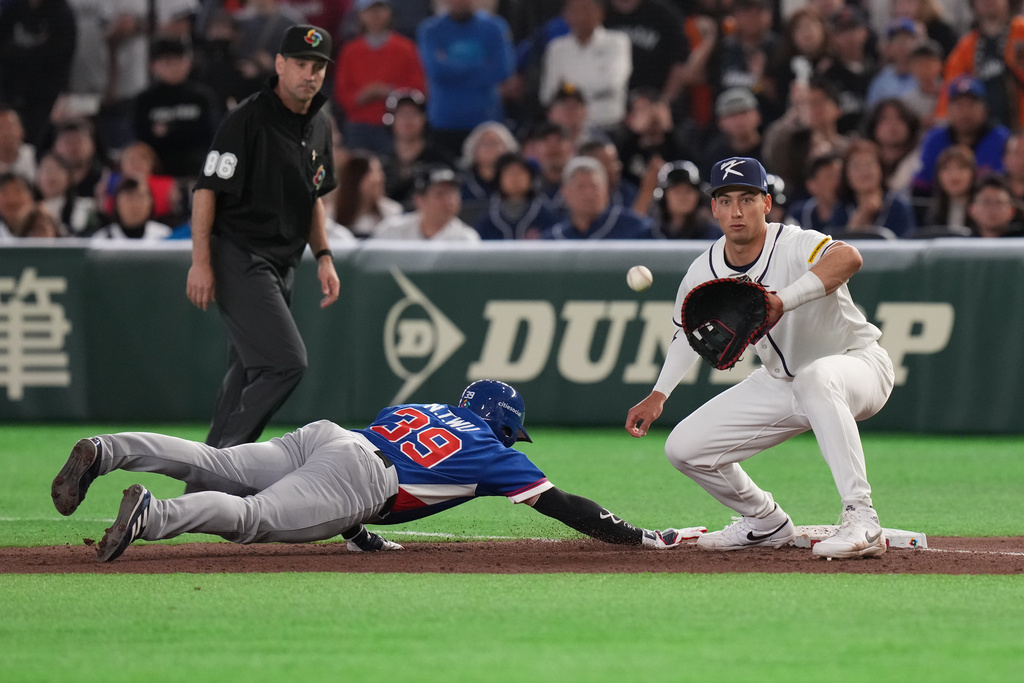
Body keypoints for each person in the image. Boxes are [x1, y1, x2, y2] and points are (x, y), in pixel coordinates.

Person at [51, 379, 696, 562]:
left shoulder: (427, 406)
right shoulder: (497, 452)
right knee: (250, 520)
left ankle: (107, 450)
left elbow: (381, 465)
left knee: (219, 462)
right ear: (503, 423)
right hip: (360, 478)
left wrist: (362, 535)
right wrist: (632, 535)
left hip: (329, 436)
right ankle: (152, 515)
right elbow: (563, 505)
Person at [625, 156, 896, 559]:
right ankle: (764, 521)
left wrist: (783, 301)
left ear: (766, 204)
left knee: (816, 378)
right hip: (781, 383)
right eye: (725, 200)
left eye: (747, 199)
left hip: (857, 366)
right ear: (713, 207)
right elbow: (687, 333)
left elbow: (849, 258)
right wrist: (659, 393)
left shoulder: (795, 242)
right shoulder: (705, 268)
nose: (736, 211)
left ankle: (862, 519)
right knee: (683, 448)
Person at [185, 24, 340, 449]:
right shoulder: (248, 118)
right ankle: (227, 468)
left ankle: (203, 482)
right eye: (302, 64)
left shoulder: (318, 124)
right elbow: (206, 190)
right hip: (239, 253)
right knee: (285, 363)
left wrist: (324, 256)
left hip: (281, 263)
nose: (310, 74)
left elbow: (314, 197)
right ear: (279, 65)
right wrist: (201, 261)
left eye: (319, 67)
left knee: (248, 372)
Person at [416, 0, 515, 157]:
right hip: (444, 122)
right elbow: (436, 72)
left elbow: (502, 70)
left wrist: (450, 65)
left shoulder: (495, 27)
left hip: (486, 121)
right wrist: (482, 64)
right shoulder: (430, 30)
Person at [333, 0, 425, 156]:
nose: (375, 15)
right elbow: (341, 92)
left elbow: (418, 88)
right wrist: (362, 96)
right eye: (370, 11)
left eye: (380, 9)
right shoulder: (350, 51)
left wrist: (389, 91)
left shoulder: (406, 48)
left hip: (395, 125)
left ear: (390, 12)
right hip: (359, 124)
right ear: (360, 15)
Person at [132, 35, 222, 180]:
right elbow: (141, 138)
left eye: (179, 61)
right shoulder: (145, 100)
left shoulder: (202, 97)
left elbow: (212, 134)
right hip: (156, 176)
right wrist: (185, 130)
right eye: (168, 62)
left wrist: (169, 131)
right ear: (154, 66)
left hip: (198, 173)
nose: (175, 67)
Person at [911, 76, 1011, 201]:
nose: (965, 112)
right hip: (940, 212)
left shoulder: (1002, 139)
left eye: (971, 105)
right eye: (959, 105)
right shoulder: (934, 138)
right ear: (948, 110)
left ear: (985, 109)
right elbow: (921, 186)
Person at [538, 0, 632, 130]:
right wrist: (593, 87)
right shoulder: (557, 48)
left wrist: (568, 88)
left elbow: (612, 82)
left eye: (585, 9)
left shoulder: (617, 42)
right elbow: (548, 94)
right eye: (573, 10)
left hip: (608, 125)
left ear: (600, 13)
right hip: (567, 128)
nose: (579, 15)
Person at [935, 0, 1024, 130]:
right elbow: (950, 88)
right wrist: (942, 121)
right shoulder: (966, 46)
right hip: (983, 135)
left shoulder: (1021, 31)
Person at [542, 156, 652, 240]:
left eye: (594, 186)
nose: (588, 193)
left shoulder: (635, 228)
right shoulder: (552, 240)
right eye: (581, 187)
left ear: (606, 190)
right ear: (565, 192)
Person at [380, 88, 455, 208]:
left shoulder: (440, 160)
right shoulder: (380, 164)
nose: (407, 120)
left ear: (424, 119)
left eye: (413, 114)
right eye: (401, 114)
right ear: (391, 121)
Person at [373, 165, 480, 241]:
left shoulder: (465, 238)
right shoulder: (391, 230)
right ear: (419, 200)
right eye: (440, 194)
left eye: (453, 194)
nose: (449, 200)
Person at [835, 139, 916, 237]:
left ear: (881, 169)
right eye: (856, 166)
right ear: (846, 174)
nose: (863, 171)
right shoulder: (840, 207)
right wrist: (860, 218)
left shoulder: (898, 205)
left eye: (869, 164)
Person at [474, 151, 559, 240]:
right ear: (499, 179)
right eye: (510, 173)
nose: (515, 178)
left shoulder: (546, 213)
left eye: (520, 173)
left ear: (530, 178)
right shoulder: (488, 218)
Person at [457, 121, 520, 226]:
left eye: (496, 143)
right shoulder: (461, 184)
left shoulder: (518, 183)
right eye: (485, 143)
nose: (490, 148)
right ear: (473, 149)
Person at [332, 151, 402, 239]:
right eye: (374, 172)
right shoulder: (332, 213)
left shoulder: (392, 212)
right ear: (357, 178)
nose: (381, 178)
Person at [647, 160, 721, 240]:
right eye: (677, 191)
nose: (683, 197)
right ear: (664, 196)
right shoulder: (650, 234)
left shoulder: (714, 235)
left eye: (688, 191)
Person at [35, 152, 100, 236]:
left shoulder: (85, 207)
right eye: (46, 170)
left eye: (57, 169)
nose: (51, 175)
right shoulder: (30, 211)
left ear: (69, 176)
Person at [93, 177, 174, 240]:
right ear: (117, 204)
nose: (135, 205)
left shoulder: (165, 237)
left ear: (151, 202)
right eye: (129, 198)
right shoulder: (102, 240)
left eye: (140, 197)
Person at [918, 144, 976, 229]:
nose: (954, 174)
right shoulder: (931, 212)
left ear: (973, 173)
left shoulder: (984, 211)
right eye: (946, 168)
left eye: (961, 168)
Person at [966, 173, 1024, 238]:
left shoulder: (1020, 240)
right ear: (972, 209)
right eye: (986, 202)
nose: (992, 209)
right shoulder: (960, 243)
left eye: (999, 203)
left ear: (1012, 211)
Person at [0, 106, 37, 181]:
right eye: (1, 127)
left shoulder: (35, 156)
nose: (6, 133)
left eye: (10, 126)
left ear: (22, 131)